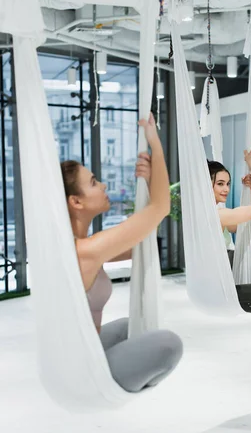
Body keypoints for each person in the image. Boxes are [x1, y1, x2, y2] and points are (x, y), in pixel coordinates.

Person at [60, 113, 183, 393]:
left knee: (136, 324)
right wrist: (156, 145)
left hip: (85, 349)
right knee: (169, 343)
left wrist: (151, 182)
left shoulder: (81, 247)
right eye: (93, 182)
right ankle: (111, 387)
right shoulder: (84, 252)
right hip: (81, 367)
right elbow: (160, 208)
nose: (103, 185)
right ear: (75, 201)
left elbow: (139, 243)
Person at [207, 148, 251, 265]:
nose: (226, 189)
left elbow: (238, 226)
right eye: (220, 184)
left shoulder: (210, 213)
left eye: (228, 183)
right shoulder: (219, 215)